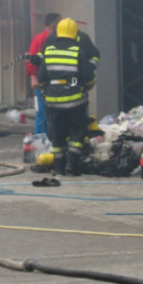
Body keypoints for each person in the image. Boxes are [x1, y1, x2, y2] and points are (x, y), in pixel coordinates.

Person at [37, 18, 97, 176]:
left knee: (57, 133)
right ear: (74, 33)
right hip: (74, 100)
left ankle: (58, 167)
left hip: (53, 101)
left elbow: (41, 77)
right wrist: (87, 85)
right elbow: (87, 76)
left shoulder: (49, 50)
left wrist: (48, 90)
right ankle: (72, 165)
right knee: (78, 131)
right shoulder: (78, 51)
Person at [27, 13, 61, 135]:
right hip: (42, 83)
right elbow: (32, 60)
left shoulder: (59, 39)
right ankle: (40, 140)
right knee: (42, 113)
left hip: (54, 83)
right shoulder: (40, 39)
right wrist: (33, 78)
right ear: (53, 24)